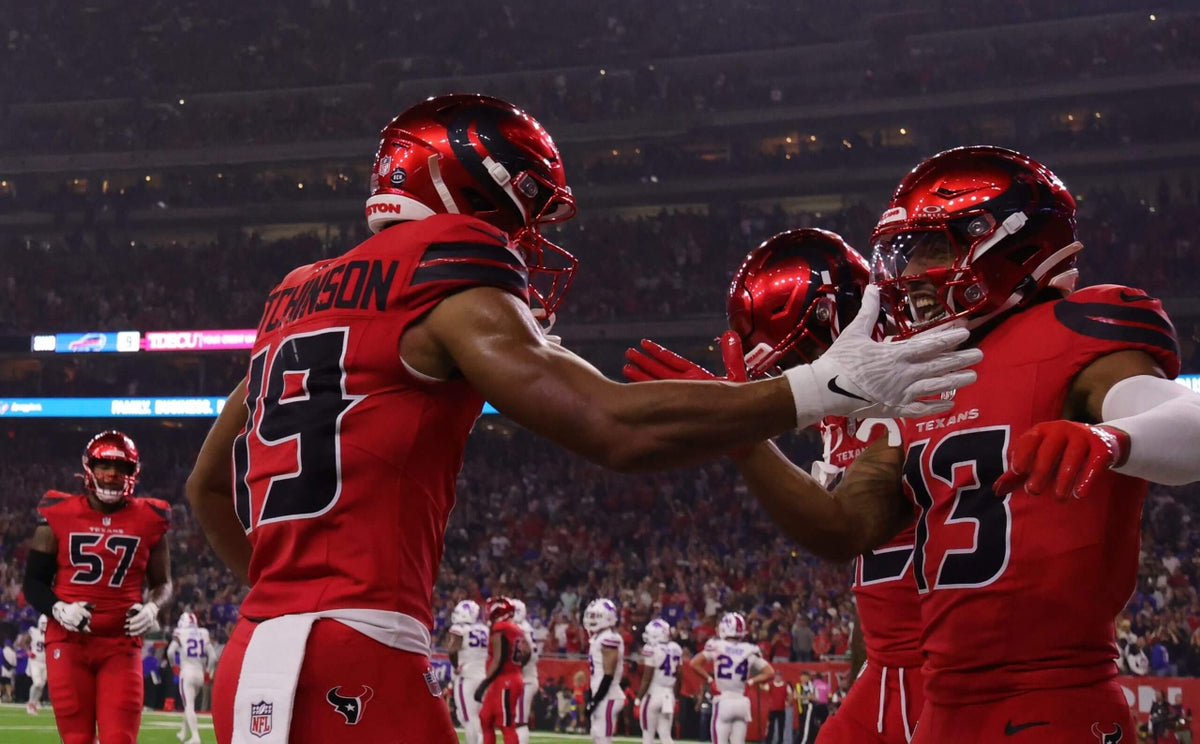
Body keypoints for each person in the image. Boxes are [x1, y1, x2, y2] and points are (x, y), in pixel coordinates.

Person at [184, 94, 979, 744]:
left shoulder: (296, 297)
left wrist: (288, 598)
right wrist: (818, 388)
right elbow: (616, 428)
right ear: (467, 188)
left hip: (256, 648)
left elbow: (206, 486)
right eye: (524, 208)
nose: (525, 235)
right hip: (357, 654)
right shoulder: (443, 272)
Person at [675, 146, 1197, 742]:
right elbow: (842, 528)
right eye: (906, 254)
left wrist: (1112, 438)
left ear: (1008, 241)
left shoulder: (1074, 331)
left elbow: (1189, 417)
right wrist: (743, 436)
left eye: (931, 250)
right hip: (947, 703)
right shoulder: (928, 371)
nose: (910, 274)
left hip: (1053, 693)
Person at [625, 229, 924, 744]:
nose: (791, 375)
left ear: (833, 317)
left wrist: (740, 434)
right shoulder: (845, 417)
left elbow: (844, 532)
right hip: (890, 667)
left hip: (953, 666)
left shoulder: (917, 381)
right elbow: (874, 573)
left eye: (798, 356)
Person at [21, 430, 173, 744]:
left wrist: (153, 607)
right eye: (105, 465)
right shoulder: (58, 512)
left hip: (121, 643)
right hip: (68, 641)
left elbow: (164, 583)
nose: (112, 474)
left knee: (120, 738)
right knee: (77, 739)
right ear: (89, 467)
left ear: (133, 472)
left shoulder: (150, 518)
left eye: (121, 467)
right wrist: (58, 609)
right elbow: (33, 582)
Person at [689, 612, 775, 744]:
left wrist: (710, 680)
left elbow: (694, 663)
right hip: (742, 703)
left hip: (723, 700)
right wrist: (751, 681)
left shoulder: (717, 645)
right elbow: (770, 672)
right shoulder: (749, 649)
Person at [476, 597, 529, 744]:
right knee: (485, 717)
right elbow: (528, 652)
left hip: (505, 680)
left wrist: (484, 684)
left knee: (506, 723)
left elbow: (498, 659)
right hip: (504, 678)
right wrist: (516, 666)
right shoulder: (516, 628)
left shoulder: (501, 627)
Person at [167, 612, 214, 744]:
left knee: (189, 706)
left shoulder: (180, 633)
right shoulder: (204, 632)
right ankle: (183, 732)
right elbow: (213, 657)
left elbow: (170, 652)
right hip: (200, 673)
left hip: (187, 672)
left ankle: (195, 737)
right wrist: (208, 672)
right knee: (189, 704)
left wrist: (173, 666)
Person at [584, 598, 625, 744]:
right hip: (603, 695)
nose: (592, 619)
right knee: (597, 736)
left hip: (609, 695)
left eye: (596, 616)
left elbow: (608, 674)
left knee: (603, 739)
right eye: (591, 616)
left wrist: (595, 700)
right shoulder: (598, 637)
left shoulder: (609, 638)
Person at [448, 599, 489, 744]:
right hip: (483, 676)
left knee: (468, 718)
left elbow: (452, 650)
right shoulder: (485, 629)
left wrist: (455, 667)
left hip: (466, 676)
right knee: (476, 716)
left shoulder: (460, 628)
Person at [636, 618, 682, 744]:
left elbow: (647, 678)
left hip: (653, 694)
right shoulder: (676, 648)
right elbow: (679, 676)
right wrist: (676, 698)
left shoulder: (651, 648)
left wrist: (638, 699)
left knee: (648, 735)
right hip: (668, 695)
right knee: (666, 736)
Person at [510, 598, 542, 743]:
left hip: (526, 680)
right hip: (524, 678)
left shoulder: (520, 628)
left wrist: (515, 666)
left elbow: (526, 653)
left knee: (520, 720)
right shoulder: (525, 627)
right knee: (516, 719)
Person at [26, 614, 48, 715]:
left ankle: (34, 704)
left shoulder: (49, 634)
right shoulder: (34, 632)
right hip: (35, 661)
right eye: (42, 623)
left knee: (41, 685)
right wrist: (28, 652)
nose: (44, 625)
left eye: (45, 623)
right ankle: (30, 703)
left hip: (45, 662)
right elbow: (24, 642)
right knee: (37, 683)